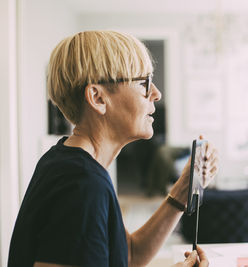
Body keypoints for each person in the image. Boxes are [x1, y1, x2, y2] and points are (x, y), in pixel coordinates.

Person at [8, 31, 218, 267]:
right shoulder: (81, 185)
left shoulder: (73, 165)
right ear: (97, 98)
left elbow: (127, 255)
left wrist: (181, 192)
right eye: (144, 83)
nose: (157, 94)